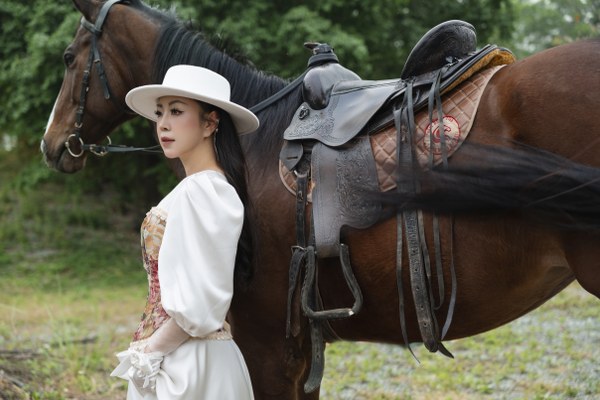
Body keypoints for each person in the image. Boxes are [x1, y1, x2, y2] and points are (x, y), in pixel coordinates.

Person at [110, 65, 258, 399]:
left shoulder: (203, 190)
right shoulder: (197, 189)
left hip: (189, 365)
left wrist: (151, 353)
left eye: (176, 111)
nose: (163, 123)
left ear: (210, 123)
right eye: (160, 113)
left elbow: (199, 302)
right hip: (182, 356)